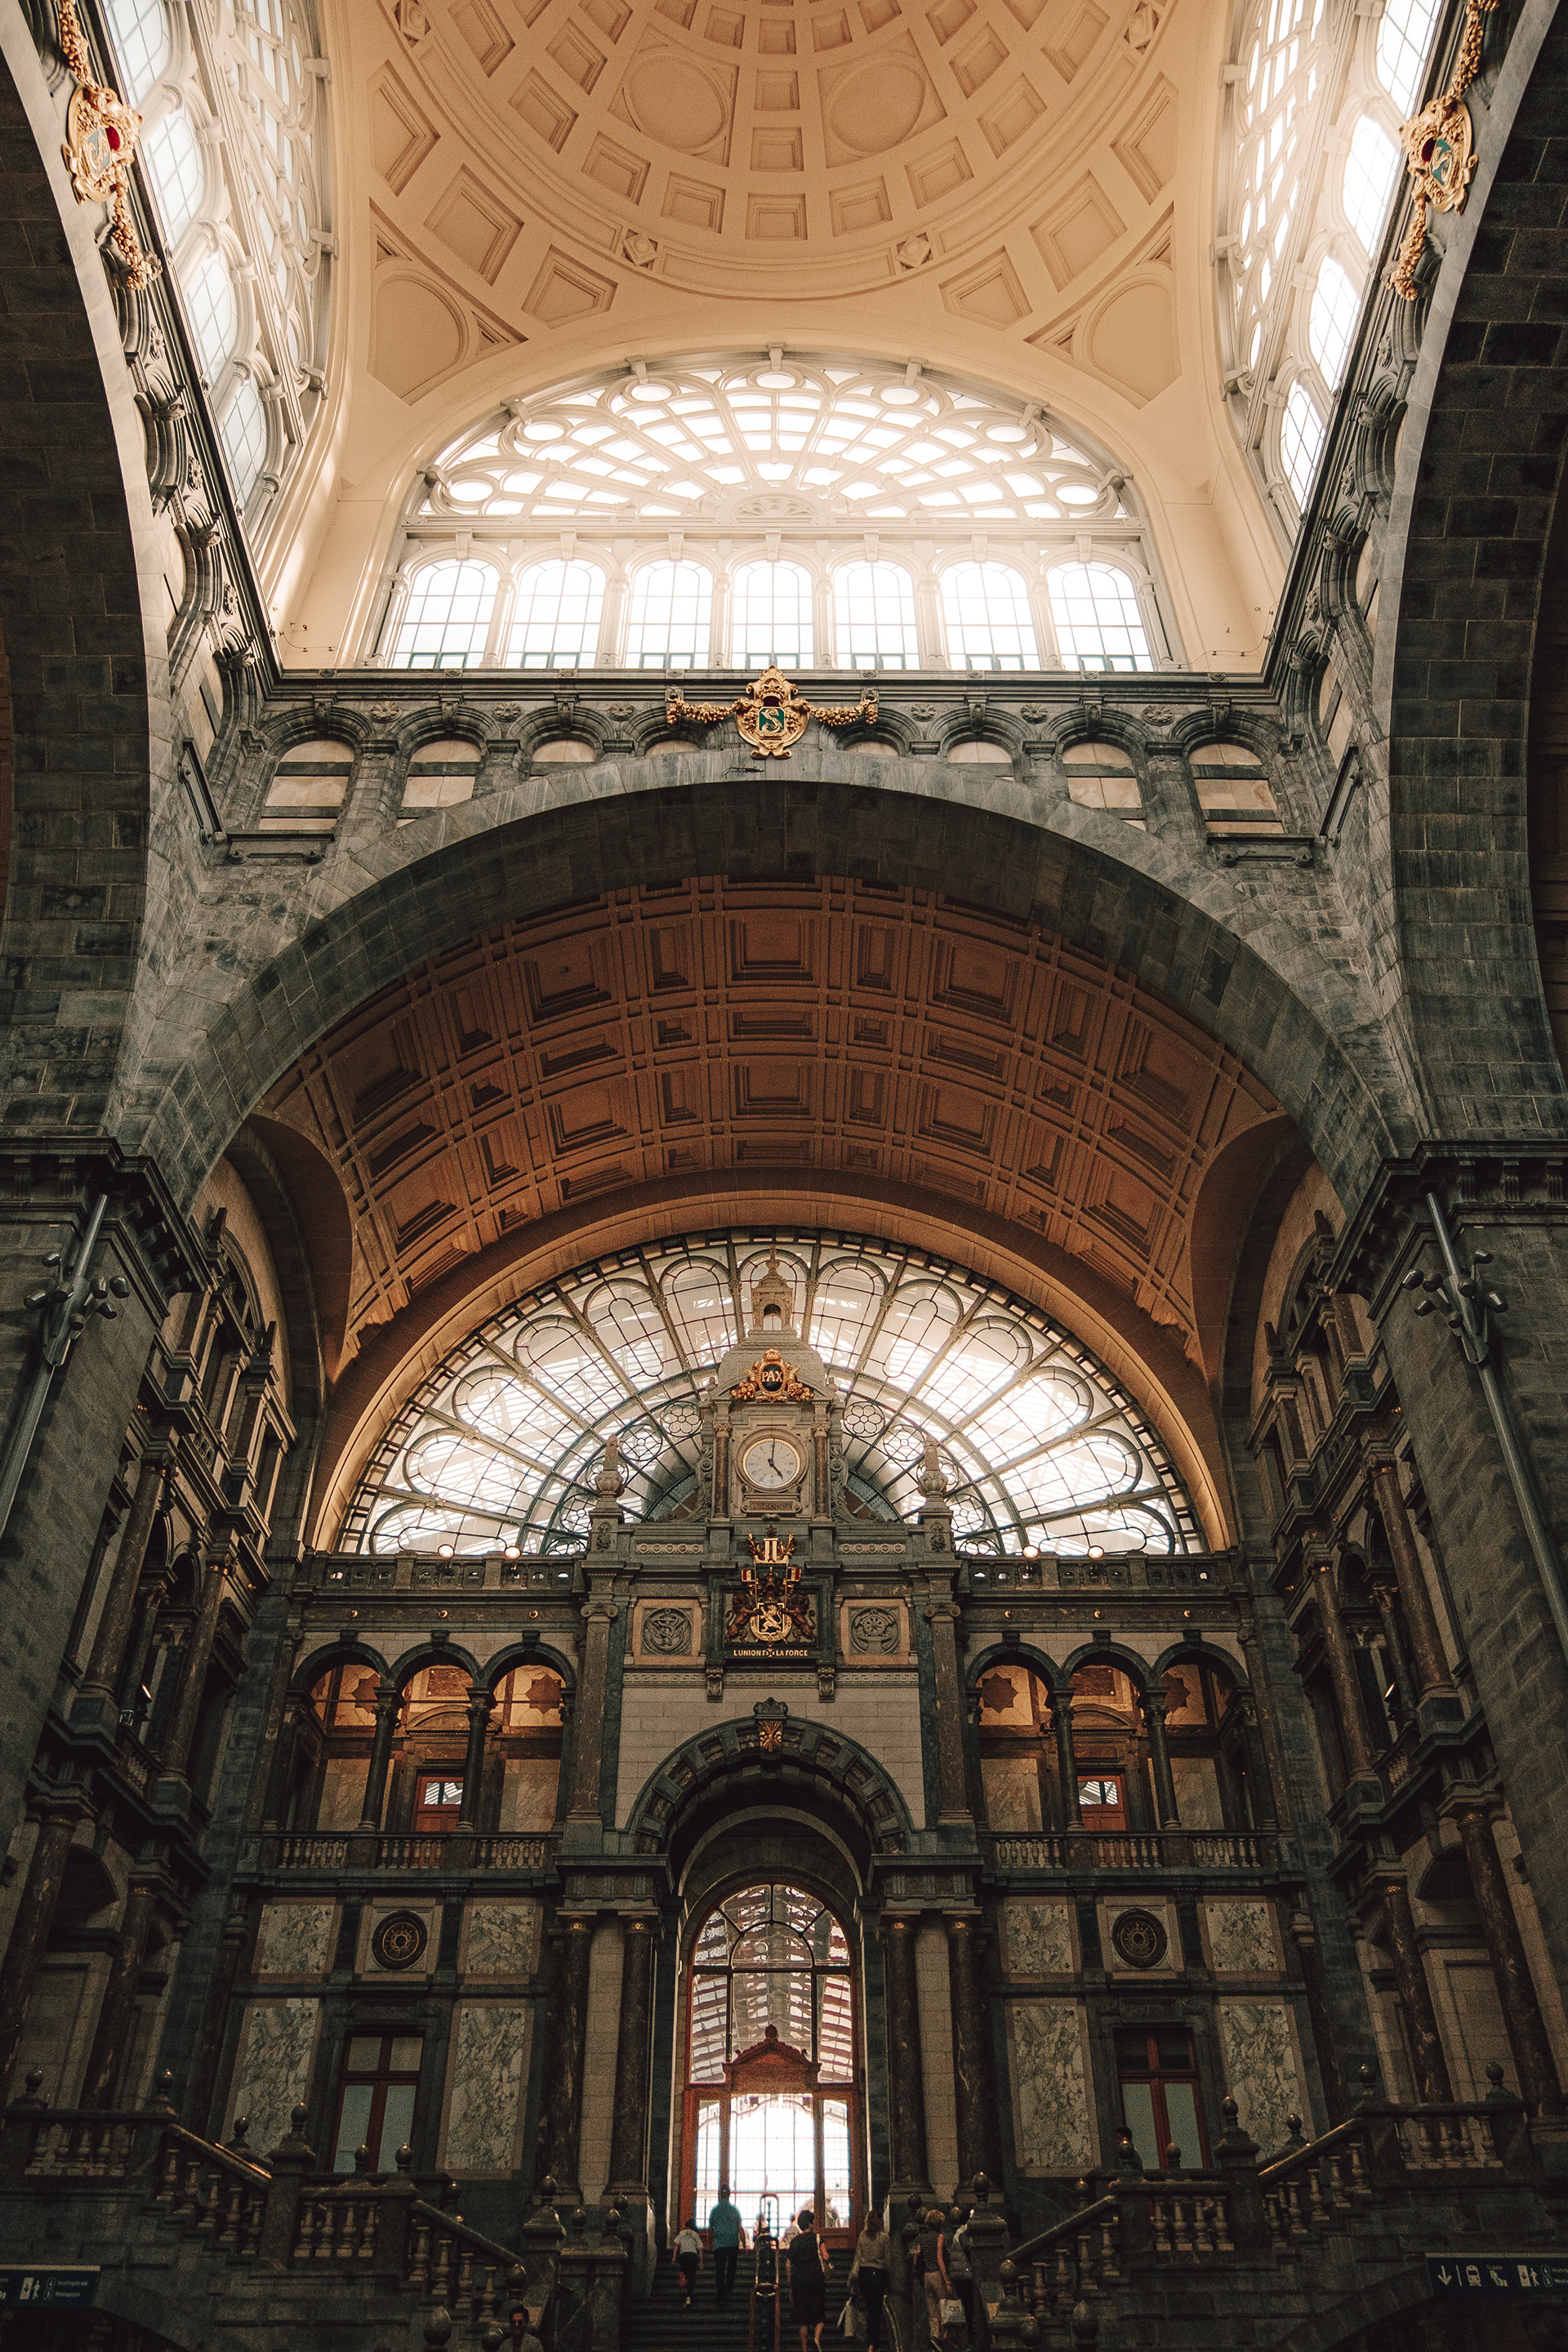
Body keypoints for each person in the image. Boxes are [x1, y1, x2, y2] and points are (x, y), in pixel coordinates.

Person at [786, 2207, 829, 2351]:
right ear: (811, 2224)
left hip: (799, 2280)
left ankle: (804, 2349)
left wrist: (790, 2285)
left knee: (802, 2319)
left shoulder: (795, 2242)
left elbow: (788, 2265)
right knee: (819, 2313)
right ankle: (816, 2339)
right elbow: (825, 2256)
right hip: (816, 2278)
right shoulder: (817, 2238)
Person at [849, 2210, 889, 2352]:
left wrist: (853, 2281)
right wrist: (890, 2280)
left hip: (864, 2275)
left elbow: (857, 2258)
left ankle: (872, 2342)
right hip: (878, 2274)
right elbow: (889, 2261)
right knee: (876, 2310)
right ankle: (872, 2343)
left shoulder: (862, 2236)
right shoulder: (884, 2238)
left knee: (870, 2308)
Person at [916, 2207, 952, 2345]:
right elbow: (940, 2259)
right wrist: (947, 2281)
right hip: (937, 2274)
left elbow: (916, 2258)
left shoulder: (923, 2239)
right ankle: (943, 2337)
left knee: (932, 2310)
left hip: (926, 2276)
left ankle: (934, 2336)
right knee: (943, 2306)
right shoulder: (939, 2237)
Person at [709, 2184, 746, 2307]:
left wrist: (710, 2244)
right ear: (729, 2195)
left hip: (719, 2244)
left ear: (720, 2195)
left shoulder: (715, 2211)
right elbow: (740, 2228)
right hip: (732, 2243)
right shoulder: (734, 2210)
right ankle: (729, 2289)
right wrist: (744, 2245)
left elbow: (711, 2229)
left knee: (719, 2270)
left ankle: (720, 2295)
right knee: (732, 2267)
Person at [674, 2216, 703, 2309]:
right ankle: (689, 2296)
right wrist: (701, 2261)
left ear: (686, 2225)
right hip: (693, 2256)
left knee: (685, 2273)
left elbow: (676, 2245)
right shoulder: (695, 2234)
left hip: (684, 2255)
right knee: (692, 2276)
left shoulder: (682, 2233)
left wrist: (674, 2257)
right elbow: (700, 2249)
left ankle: (684, 2285)